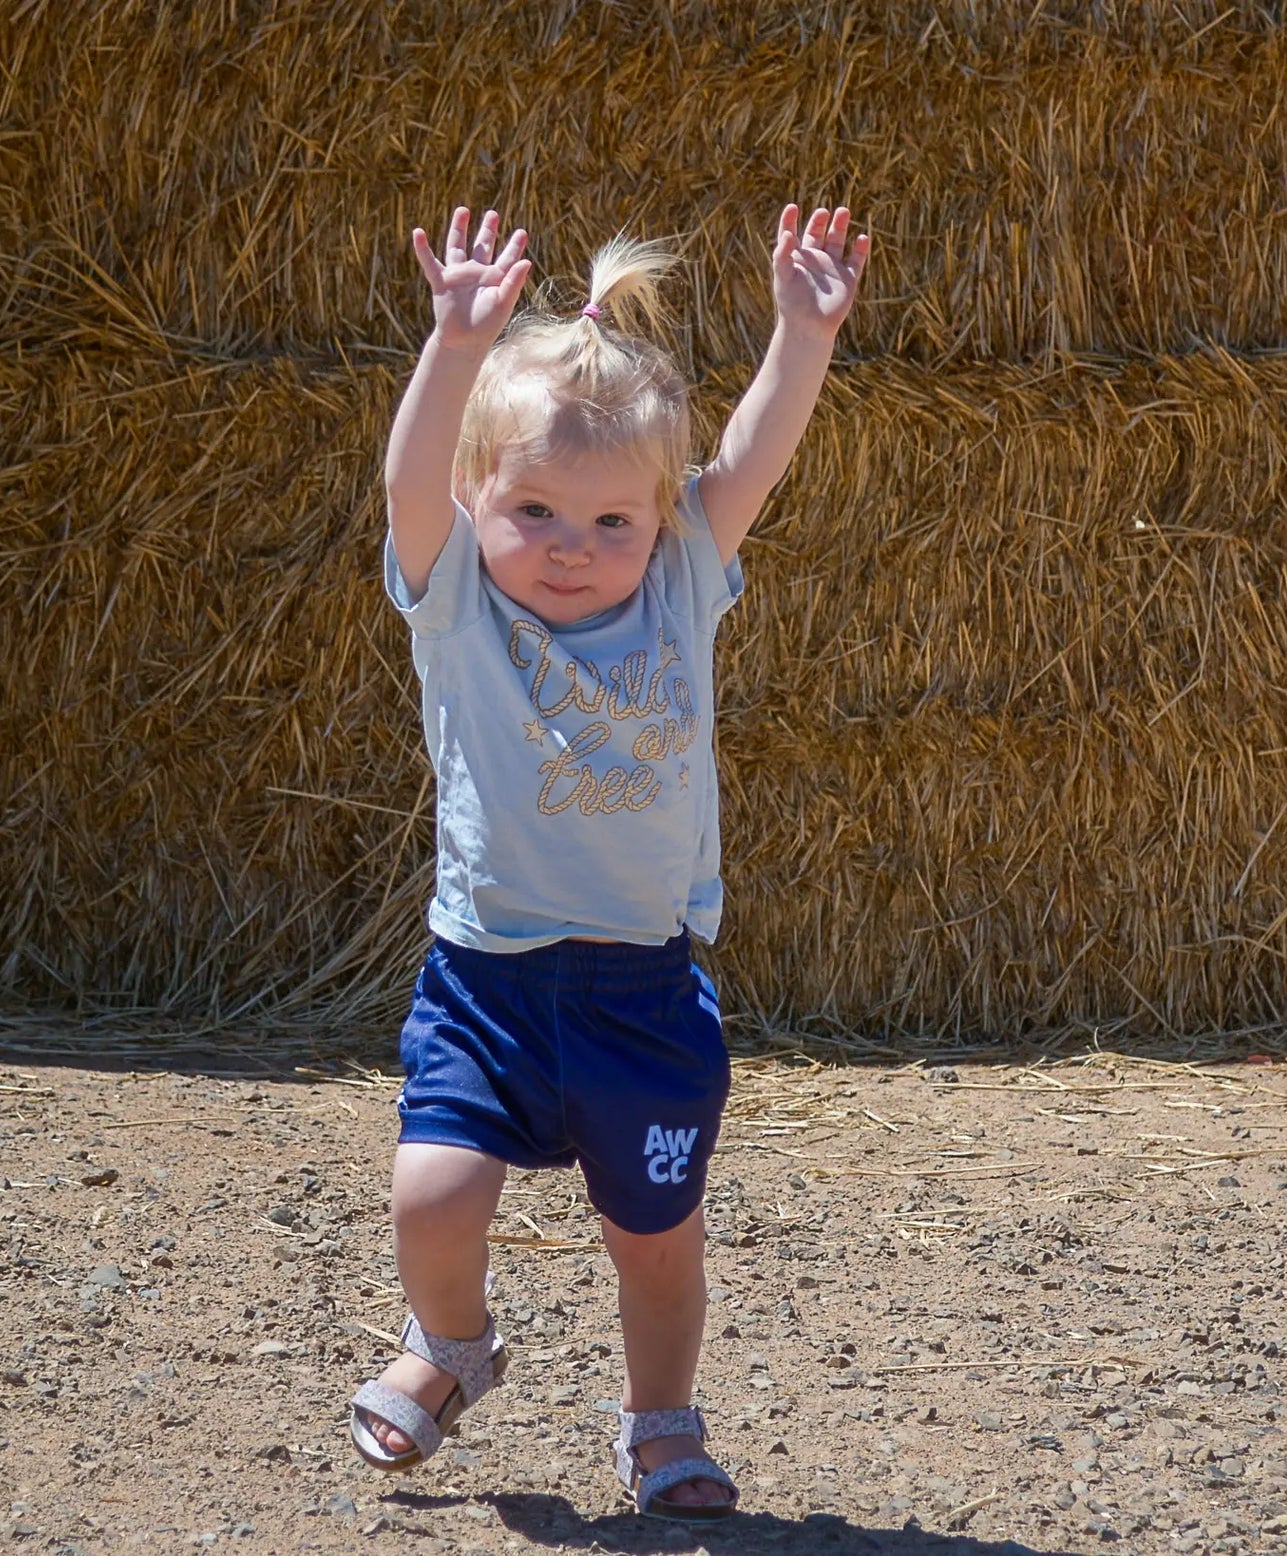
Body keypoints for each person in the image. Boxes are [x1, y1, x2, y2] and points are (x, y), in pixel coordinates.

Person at [349, 203, 870, 1520]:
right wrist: (452, 349)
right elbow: (409, 481)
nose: (571, 545)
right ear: (476, 507)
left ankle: (659, 1424)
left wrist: (802, 332)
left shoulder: (685, 574)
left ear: (658, 523)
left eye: (607, 521)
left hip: (641, 990)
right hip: (486, 981)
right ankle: (450, 1348)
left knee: (654, 1243)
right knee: (431, 1191)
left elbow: (751, 457)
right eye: (531, 510)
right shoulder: (455, 596)